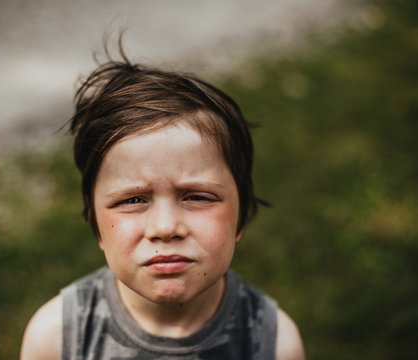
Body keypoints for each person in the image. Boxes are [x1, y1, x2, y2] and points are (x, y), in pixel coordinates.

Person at [20, 51, 305, 360]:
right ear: (96, 224)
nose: (166, 228)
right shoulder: (58, 339)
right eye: (132, 200)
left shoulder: (273, 343)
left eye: (196, 196)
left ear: (241, 215)